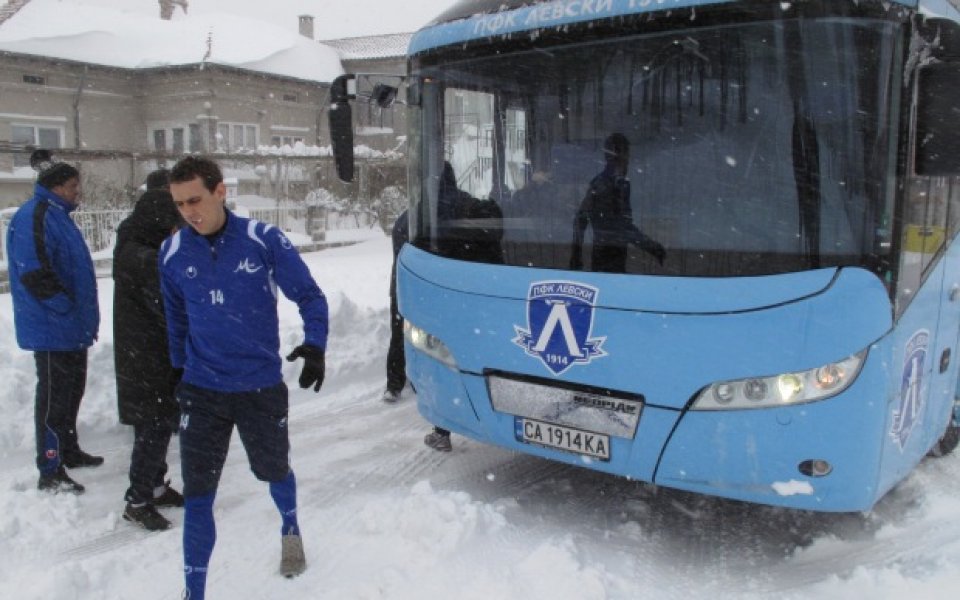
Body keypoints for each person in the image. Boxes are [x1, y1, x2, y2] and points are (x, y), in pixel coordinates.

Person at [159, 156, 328, 600]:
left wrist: (316, 344)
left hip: (258, 388)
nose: (188, 211)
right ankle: (193, 591)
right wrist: (179, 369)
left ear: (220, 192)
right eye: (179, 203)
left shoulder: (263, 240)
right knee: (198, 495)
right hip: (202, 391)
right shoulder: (173, 252)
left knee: (273, 471)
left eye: (195, 199)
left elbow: (309, 295)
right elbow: (176, 317)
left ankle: (290, 527)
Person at [6, 149, 102, 495]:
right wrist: (64, 308)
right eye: (74, 185)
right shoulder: (36, 215)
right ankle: (50, 466)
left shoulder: (59, 214)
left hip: (70, 328)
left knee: (71, 392)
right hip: (52, 328)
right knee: (52, 399)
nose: (78, 191)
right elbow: (33, 272)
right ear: (57, 186)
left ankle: (69, 449)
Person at [113, 169, 184, 531]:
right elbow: (164, 306)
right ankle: (137, 500)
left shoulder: (138, 242)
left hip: (151, 353)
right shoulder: (143, 257)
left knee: (158, 423)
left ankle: (155, 486)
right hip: (145, 357)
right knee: (153, 428)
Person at [570, 133, 665, 273]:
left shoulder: (620, 183)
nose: (628, 160)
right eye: (625, 155)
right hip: (606, 256)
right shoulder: (604, 185)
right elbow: (619, 227)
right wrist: (650, 246)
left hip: (614, 254)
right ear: (615, 156)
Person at [382, 208, 408, 404]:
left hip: (401, 287)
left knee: (399, 335)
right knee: (400, 336)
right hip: (407, 287)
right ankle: (395, 382)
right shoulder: (413, 221)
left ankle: (395, 383)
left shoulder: (406, 219)